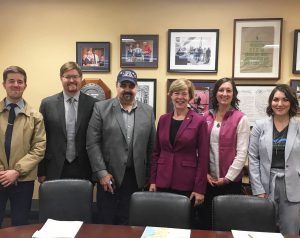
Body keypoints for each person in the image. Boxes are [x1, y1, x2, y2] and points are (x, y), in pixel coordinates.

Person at [86, 69, 156, 225]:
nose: (127, 89)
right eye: (123, 85)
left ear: (136, 88)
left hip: (136, 179)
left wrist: (151, 176)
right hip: (109, 177)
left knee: (131, 221)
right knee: (106, 220)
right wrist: (102, 173)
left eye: (131, 86)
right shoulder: (100, 108)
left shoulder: (148, 111)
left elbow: (152, 147)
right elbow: (92, 143)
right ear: (117, 86)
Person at [149, 79, 209, 227]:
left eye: (184, 93)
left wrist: (199, 188)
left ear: (190, 97)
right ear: (171, 95)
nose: (180, 97)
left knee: (182, 225)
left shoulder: (199, 121)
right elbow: (156, 152)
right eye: (176, 93)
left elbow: (203, 157)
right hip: (162, 181)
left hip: (186, 184)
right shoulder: (163, 119)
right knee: (162, 224)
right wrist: (152, 180)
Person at [249, 84, 300, 235]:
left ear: (291, 102)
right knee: (263, 231)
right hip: (266, 184)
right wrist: (257, 188)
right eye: (275, 99)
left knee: (290, 231)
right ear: (270, 102)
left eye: (285, 100)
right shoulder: (260, 126)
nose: (279, 104)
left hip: (294, 185)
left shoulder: (298, 126)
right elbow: (253, 158)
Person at [200, 77, 250, 229]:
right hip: (207, 181)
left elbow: (242, 153)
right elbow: (199, 149)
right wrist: (204, 174)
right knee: (206, 222)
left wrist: (227, 178)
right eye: (221, 90)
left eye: (229, 90)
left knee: (228, 224)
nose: (224, 93)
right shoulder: (205, 116)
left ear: (234, 94)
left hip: (230, 183)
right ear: (215, 93)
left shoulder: (241, 118)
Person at [0, 66, 46, 226]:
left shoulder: (35, 116)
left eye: (20, 81)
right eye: (11, 81)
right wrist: (2, 172)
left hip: (23, 180)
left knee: (20, 225)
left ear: (25, 86)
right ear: (4, 84)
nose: (16, 84)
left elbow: (39, 148)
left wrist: (16, 171)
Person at [38, 62, 98, 182]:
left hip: (84, 167)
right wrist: (41, 170)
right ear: (61, 78)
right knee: (55, 201)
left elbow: (97, 138)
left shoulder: (94, 104)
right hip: (54, 167)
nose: (71, 80)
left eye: (75, 76)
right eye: (67, 77)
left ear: (81, 78)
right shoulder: (47, 104)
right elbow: (41, 139)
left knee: (82, 201)